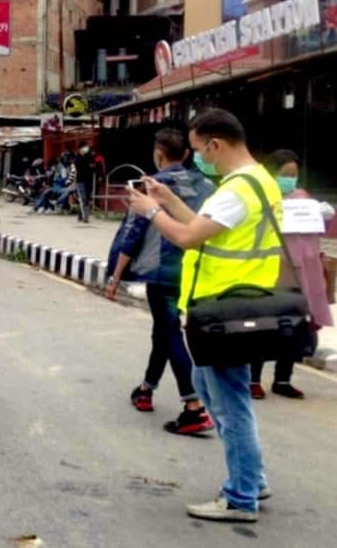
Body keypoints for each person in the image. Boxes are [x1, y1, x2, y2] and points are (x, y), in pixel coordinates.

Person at [129, 108, 280, 523]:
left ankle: (242, 496)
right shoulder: (257, 181)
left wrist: (150, 211)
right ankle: (252, 478)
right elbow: (202, 225)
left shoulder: (238, 190)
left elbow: (187, 237)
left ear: (215, 144)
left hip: (224, 310)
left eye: (198, 150)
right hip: (233, 304)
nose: (197, 158)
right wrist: (168, 199)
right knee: (209, 388)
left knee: (231, 405)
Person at [107, 128, 215, 435]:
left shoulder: (151, 187)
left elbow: (133, 234)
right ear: (186, 154)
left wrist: (115, 276)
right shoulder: (208, 186)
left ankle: (193, 405)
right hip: (195, 269)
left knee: (169, 332)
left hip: (162, 271)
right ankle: (146, 389)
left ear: (158, 154)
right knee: (164, 330)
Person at [250, 149, 336, 400]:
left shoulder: (303, 199)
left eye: (293, 175)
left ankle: (283, 379)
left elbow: (318, 231)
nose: (290, 180)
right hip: (271, 272)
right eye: (285, 174)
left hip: (301, 274)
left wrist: (323, 215)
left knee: (294, 327)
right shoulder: (260, 198)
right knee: (264, 327)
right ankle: (253, 379)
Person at [74, 144, 100, 223]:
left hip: (88, 181)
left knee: (87, 199)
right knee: (83, 198)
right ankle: (85, 217)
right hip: (80, 181)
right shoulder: (77, 158)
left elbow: (94, 166)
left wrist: (93, 166)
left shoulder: (89, 157)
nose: (86, 149)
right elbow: (77, 164)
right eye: (84, 148)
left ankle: (81, 215)